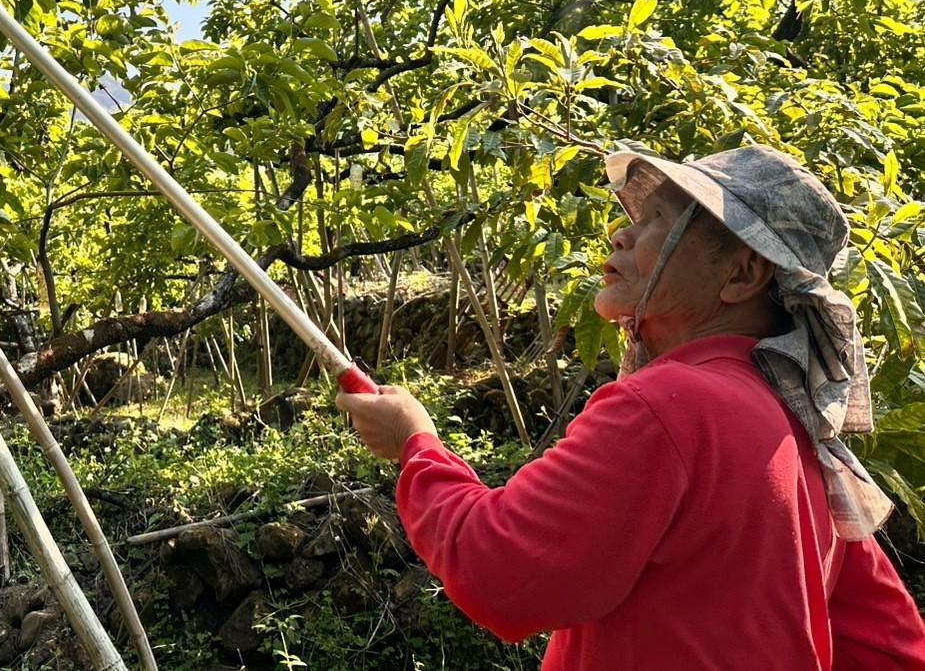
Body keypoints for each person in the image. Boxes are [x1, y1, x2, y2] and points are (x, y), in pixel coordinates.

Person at [338, 143, 925, 669]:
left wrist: (416, 444)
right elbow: (889, 646)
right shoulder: (802, 431)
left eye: (657, 223)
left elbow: (498, 571)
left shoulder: (669, 405)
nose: (620, 235)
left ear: (742, 275)